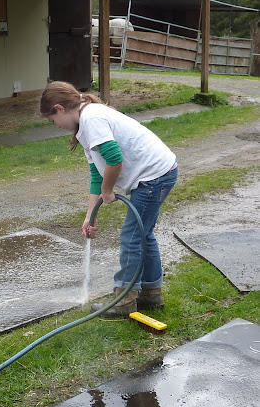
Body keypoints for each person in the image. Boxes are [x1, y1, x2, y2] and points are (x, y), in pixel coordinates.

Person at [40, 80, 178, 318]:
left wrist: (108, 190)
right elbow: (97, 173)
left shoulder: (92, 119)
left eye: (53, 120)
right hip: (159, 173)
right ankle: (151, 293)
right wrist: (90, 216)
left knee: (132, 236)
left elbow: (114, 160)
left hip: (155, 176)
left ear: (59, 108)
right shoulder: (85, 123)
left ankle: (124, 300)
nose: (56, 126)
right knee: (142, 234)